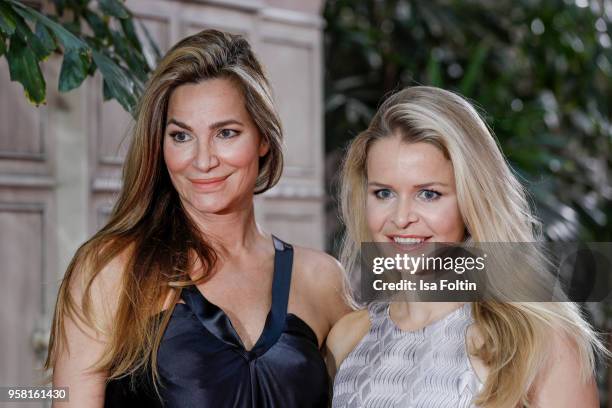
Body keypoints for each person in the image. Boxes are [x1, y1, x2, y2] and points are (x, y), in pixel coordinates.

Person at [45, 29, 349, 407]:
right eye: (181, 136)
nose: (203, 161)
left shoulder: (322, 279)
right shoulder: (113, 270)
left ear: (263, 139)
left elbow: (415, 360)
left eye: (226, 133)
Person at [326, 86, 605, 407]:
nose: (401, 218)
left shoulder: (539, 340)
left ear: (473, 198)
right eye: (384, 193)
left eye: (428, 194)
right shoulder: (348, 338)